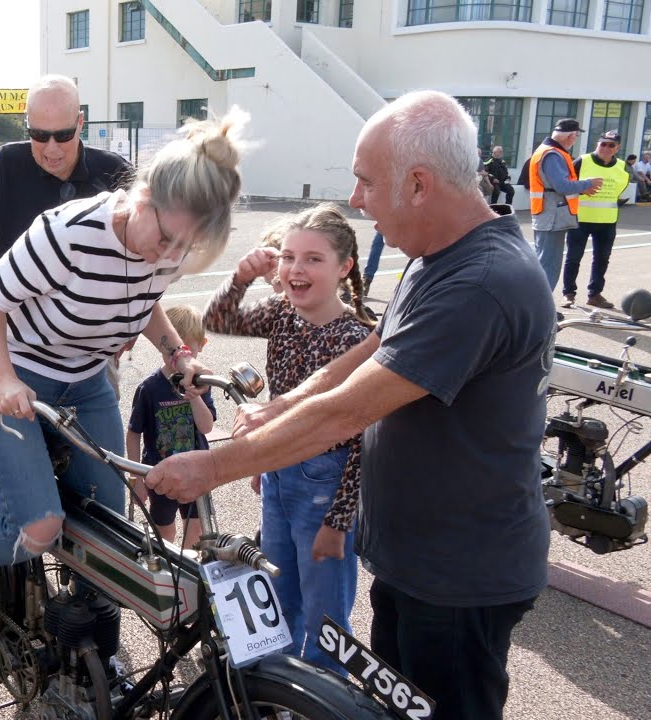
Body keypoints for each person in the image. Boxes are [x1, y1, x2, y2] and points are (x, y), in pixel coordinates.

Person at [146, 91, 553, 720]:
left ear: (418, 184)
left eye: (366, 181)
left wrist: (213, 467)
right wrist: (284, 408)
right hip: (414, 561)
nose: (357, 199)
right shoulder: (434, 259)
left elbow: (348, 413)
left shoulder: (479, 283)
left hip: (457, 578)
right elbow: (364, 356)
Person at [0, 112, 246, 660]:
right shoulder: (69, 232)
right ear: (142, 197)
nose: (168, 257)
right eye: (166, 239)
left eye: (183, 250)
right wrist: (4, 379)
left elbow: (144, 303)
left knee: (113, 531)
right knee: (41, 522)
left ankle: (85, 644)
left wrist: (177, 355)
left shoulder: (166, 246)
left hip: (83, 379)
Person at [203, 203, 374, 674]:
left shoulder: (357, 338)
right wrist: (239, 277)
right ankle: (274, 694)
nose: (296, 269)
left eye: (314, 259)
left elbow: (360, 440)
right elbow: (217, 320)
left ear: (344, 268)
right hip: (280, 475)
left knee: (324, 616)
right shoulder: (282, 313)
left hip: (327, 484)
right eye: (288, 257)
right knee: (276, 597)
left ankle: (323, 696)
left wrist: (338, 523)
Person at [0, 75, 131, 345]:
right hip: (12, 340)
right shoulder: (2, 166)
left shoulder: (116, 174)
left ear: (80, 123)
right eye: (39, 135)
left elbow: (143, 259)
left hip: (88, 347)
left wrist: (129, 326)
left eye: (63, 135)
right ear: (27, 124)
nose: (52, 148)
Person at [126, 305, 216, 548]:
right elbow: (134, 433)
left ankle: (185, 570)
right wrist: (136, 478)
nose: (178, 362)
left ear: (202, 346)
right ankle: (169, 572)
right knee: (163, 531)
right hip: (160, 473)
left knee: (196, 529)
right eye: (171, 354)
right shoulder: (150, 388)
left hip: (197, 470)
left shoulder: (202, 384)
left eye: (188, 351)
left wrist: (195, 396)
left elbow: (206, 427)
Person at [528, 118, 603, 293]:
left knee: (543, 262)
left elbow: (555, 187)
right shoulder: (553, 154)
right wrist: (586, 183)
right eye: (576, 136)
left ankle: (538, 310)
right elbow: (561, 186)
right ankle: (542, 312)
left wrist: (582, 189)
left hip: (547, 214)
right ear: (570, 136)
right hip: (552, 216)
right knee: (549, 265)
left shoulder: (546, 151)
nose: (575, 140)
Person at [561, 130, 630, 310]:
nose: (606, 148)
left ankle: (595, 294)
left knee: (602, 259)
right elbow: (566, 186)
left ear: (617, 148)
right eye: (603, 144)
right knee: (573, 257)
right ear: (597, 144)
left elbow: (620, 190)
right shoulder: (582, 161)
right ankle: (569, 294)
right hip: (580, 219)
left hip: (607, 221)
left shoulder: (622, 167)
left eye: (611, 145)